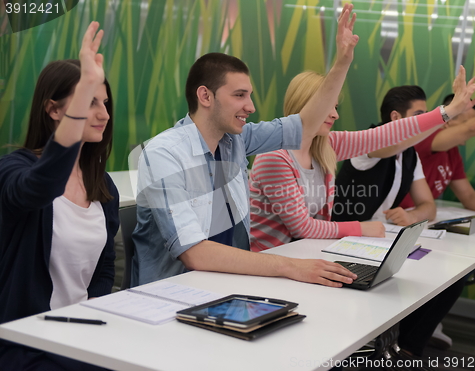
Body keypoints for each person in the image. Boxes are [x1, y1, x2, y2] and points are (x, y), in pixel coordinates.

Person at [131, 4, 360, 289]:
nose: (250, 106)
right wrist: (289, 266)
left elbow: (305, 126)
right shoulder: (163, 153)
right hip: (172, 296)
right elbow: (194, 253)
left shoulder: (237, 139)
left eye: (249, 95)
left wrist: (342, 63)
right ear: (205, 96)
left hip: (230, 285)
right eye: (240, 95)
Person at [249, 72, 475, 251]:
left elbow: (390, 132)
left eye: (336, 106)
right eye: (327, 105)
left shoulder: (325, 146)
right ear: (305, 105)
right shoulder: (274, 156)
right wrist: (360, 228)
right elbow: (302, 227)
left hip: (305, 254)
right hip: (272, 262)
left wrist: (449, 112)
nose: (335, 114)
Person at [0, 22, 118, 370]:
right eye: (90, 102)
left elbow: (104, 265)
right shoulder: (12, 168)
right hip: (25, 343)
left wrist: (93, 314)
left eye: (104, 103)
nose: (104, 114)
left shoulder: (101, 184)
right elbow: (43, 185)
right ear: (53, 110)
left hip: (80, 336)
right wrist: (85, 86)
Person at [332, 85, 437, 226]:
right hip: (339, 235)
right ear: (395, 117)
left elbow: (429, 206)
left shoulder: (410, 153)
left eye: (427, 115)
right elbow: (395, 145)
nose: (424, 121)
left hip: (376, 234)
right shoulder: (368, 141)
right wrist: (443, 115)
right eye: (419, 116)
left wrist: (412, 216)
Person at [400, 93, 475, 216]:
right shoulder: (425, 137)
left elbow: (469, 197)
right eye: (465, 122)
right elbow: (472, 128)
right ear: (447, 121)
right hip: (394, 217)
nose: (469, 132)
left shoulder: (453, 152)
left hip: (419, 217)